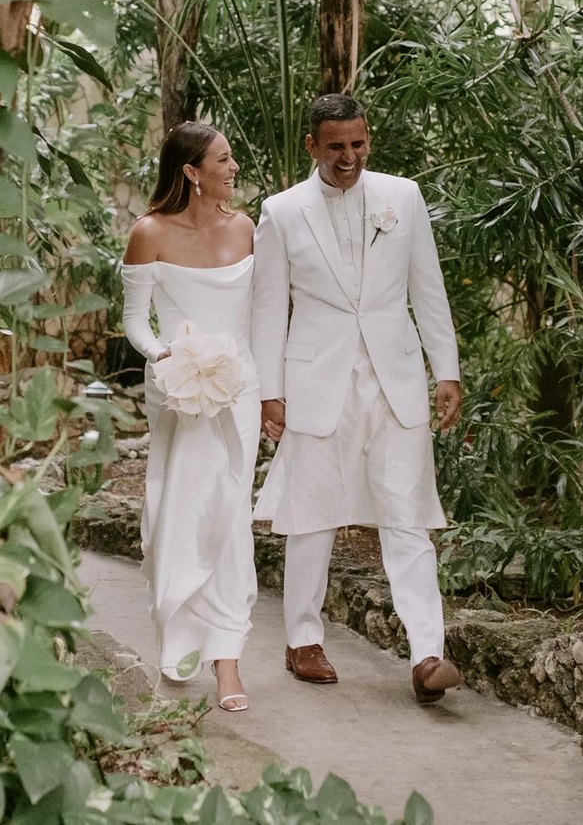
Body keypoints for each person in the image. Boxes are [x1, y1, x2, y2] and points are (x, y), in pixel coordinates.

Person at [249, 93, 465, 705]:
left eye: (359, 144)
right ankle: (303, 640)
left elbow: (429, 288)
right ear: (312, 146)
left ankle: (428, 653)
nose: (350, 157)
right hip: (316, 379)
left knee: (408, 513)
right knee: (312, 513)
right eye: (336, 146)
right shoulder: (281, 211)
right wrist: (270, 392)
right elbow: (268, 309)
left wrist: (444, 369)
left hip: (394, 378)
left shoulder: (404, 197)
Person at [120, 122, 260, 712]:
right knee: (177, 510)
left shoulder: (247, 229)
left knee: (230, 516)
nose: (233, 169)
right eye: (223, 160)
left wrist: (269, 389)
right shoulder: (148, 233)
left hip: (240, 390)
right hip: (179, 391)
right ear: (190, 172)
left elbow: (258, 317)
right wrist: (166, 355)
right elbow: (135, 322)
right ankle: (178, 635)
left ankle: (227, 660)